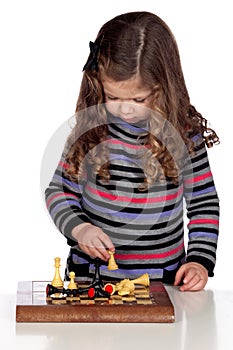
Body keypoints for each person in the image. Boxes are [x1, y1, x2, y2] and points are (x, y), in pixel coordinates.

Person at [45, 11, 220, 291]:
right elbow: (59, 193)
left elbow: (203, 203)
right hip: (91, 280)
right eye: (113, 96)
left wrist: (199, 259)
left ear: (163, 86)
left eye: (139, 99)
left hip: (163, 282)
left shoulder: (184, 137)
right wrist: (80, 229)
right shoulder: (90, 132)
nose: (125, 108)